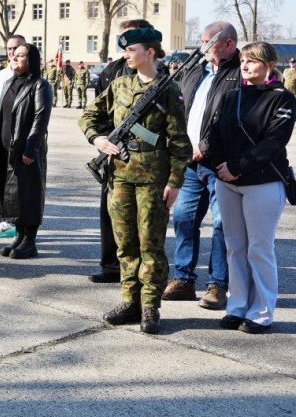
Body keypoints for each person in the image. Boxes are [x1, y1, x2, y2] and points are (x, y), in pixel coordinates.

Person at [79, 26, 192, 334]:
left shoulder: (169, 90)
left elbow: (180, 143)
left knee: (150, 245)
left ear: (150, 52)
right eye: (125, 50)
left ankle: (150, 306)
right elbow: (88, 116)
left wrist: (175, 182)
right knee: (125, 244)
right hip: (119, 177)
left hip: (153, 179)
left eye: (131, 50)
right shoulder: (119, 85)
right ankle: (130, 300)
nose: (126, 55)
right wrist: (99, 140)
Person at [199, 42, 296, 333]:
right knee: (235, 247)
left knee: (259, 249)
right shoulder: (231, 96)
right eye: (243, 60)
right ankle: (238, 305)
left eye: (252, 61)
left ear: (269, 65)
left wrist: (236, 166)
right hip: (227, 181)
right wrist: (220, 165)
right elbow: (212, 135)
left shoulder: (282, 98)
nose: (244, 65)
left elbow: (274, 142)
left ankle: (262, 312)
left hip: (263, 182)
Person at [165, 21, 240, 310]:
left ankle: (217, 285)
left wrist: (204, 147)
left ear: (228, 44)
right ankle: (183, 279)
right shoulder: (195, 70)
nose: (202, 47)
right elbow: (179, 111)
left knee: (222, 224)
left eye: (207, 42)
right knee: (183, 219)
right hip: (189, 164)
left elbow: (232, 120)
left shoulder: (240, 73)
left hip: (220, 164)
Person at [85, 19, 144, 283]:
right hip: (112, 150)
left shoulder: (160, 74)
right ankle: (110, 266)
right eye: (121, 40)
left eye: (129, 40)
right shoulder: (112, 70)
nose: (124, 45)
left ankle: (139, 271)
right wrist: (101, 140)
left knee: (141, 218)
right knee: (110, 212)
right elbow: (96, 110)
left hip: (143, 156)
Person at [0, 42, 51, 261]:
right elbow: (1, 115)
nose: (14, 58)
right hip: (6, 148)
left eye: (21, 55)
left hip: (26, 149)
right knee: (13, 195)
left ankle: (30, 241)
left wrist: (30, 148)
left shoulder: (40, 85)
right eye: (14, 54)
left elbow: (40, 119)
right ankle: (19, 237)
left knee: (29, 194)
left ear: (31, 59)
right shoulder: (9, 82)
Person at [0, 34, 26, 239]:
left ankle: (21, 226)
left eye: (16, 48)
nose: (12, 52)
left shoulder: (32, 78)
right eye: (9, 48)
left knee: (18, 183)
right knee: (1, 179)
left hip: (19, 139)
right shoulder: (1, 75)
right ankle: (6, 222)